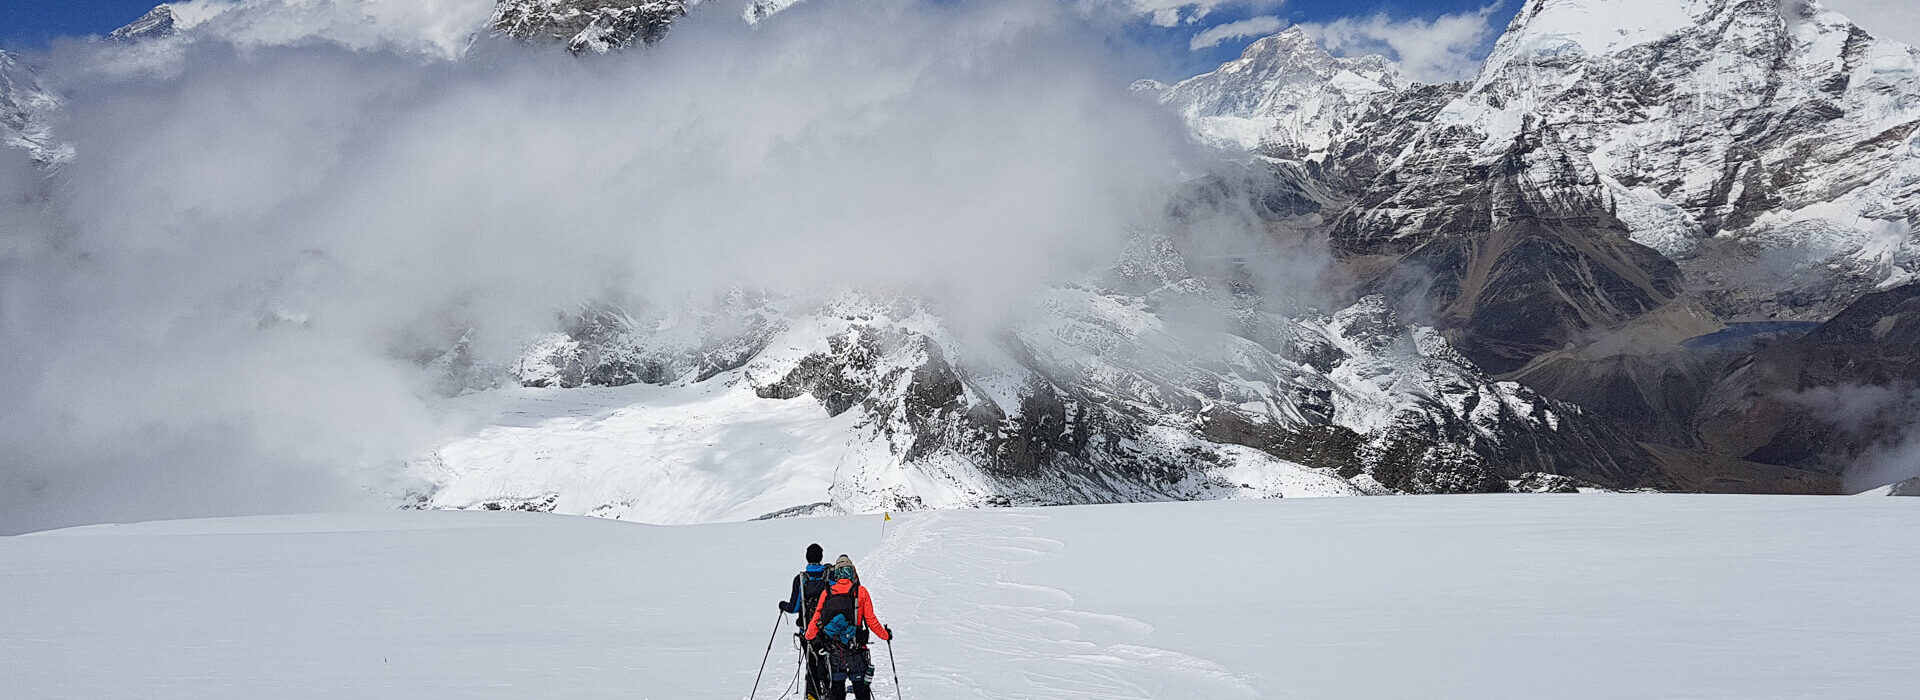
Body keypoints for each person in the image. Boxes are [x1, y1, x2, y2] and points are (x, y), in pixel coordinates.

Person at [805, 554, 893, 700]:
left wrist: (808, 636)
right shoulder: (860, 592)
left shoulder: (827, 592)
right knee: (861, 690)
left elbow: (816, 619)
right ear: (852, 571)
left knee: (837, 691)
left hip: (834, 650)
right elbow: (871, 621)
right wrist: (886, 635)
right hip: (856, 649)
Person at [779, 543, 833, 700]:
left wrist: (783, 605)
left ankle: (812, 694)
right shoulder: (829, 576)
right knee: (825, 658)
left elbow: (794, 607)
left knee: (811, 661)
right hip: (827, 629)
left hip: (807, 630)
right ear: (821, 557)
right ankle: (827, 688)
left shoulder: (801, 578)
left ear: (807, 558)